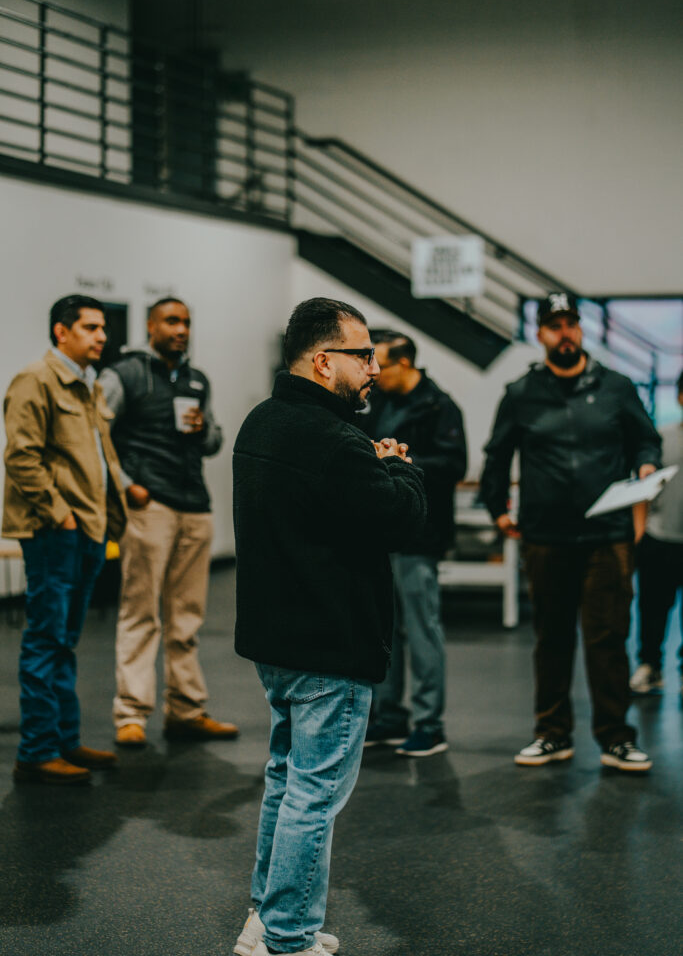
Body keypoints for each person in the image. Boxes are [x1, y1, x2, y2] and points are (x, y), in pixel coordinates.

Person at [232, 298, 426, 956]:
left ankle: (264, 918)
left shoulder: (262, 421)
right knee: (312, 795)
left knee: (285, 782)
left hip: (276, 644)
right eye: (363, 354)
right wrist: (396, 464)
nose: (374, 367)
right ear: (323, 361)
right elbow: (401, 518)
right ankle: (289, 937)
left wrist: (368, 464)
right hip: (329, 646)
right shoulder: (335, 441)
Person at [480, 291, 662, 773]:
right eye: (555, 325)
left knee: (608, 639)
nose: (565, 332)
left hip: (609, 537)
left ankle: (616, 738)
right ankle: (552, 734)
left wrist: (646, 464)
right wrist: (497, 508)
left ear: (581, 330)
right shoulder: (521, 394)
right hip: (546, 537)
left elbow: (646, 436)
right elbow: (497, 454)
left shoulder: (617, 386)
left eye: (572, 324)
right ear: (540, 334)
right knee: (552, 638)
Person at [99, 297, 238, 747]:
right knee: (141, 613)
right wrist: (125, 484)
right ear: (151, 326)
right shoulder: (124, 375)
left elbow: (214, 439)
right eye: (172, 322)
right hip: (149, 505)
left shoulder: (197, 380)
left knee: (187, 618)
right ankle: (131, 714)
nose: (181, 330)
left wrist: (202, 430)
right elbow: (94, 433)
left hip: (194, 506)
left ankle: (186, 710)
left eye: (187, 323)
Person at [3, 294, 127, 784]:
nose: (102, 336)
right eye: (91, 328)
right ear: (61, 331)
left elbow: (101, 455)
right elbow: (21, 457)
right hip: (57, 532)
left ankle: (65, 741)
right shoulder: (36, 380)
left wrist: (120, 499)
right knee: (45, 641)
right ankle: (36, 752)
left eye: (103, 328)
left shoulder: (88, 384)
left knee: (65, 642)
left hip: (91, 528)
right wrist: (60, 516)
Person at [358, 329, 467, 757]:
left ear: (404, 362)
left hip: (420, 533)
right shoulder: (377, 401)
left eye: (379, 363)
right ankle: (388, 716)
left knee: (422, 630)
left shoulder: (440, 406)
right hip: (381, 530)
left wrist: (401, 461)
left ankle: (429, 723)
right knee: (384, 628)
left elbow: (453, 464)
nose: (373, 371)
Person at [630, 370, 683, 696]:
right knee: (652, 609)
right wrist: (639, 534)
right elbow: (642, 489)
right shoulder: (660, 439)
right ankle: (650, 665)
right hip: (659, 538)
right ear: (679, 397)